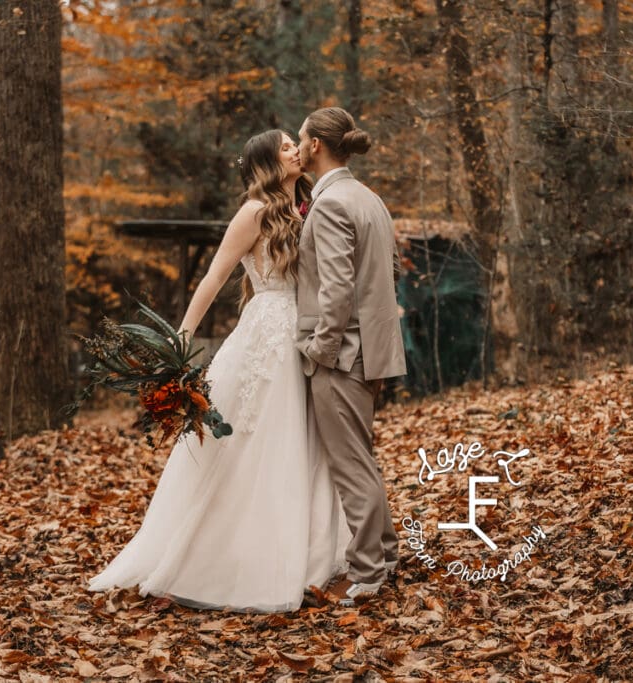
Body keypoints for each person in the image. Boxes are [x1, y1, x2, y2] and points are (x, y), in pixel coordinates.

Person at [87, 129, 351, 612]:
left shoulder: (308, 207)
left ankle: (307, 554)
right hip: (268, 336)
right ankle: (229, 561)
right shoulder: (253, 212)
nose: (297, 149)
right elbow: (214, 276)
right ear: (269, 162)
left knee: (304, 442)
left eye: (298, 143)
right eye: (288, 147)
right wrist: (179, 342)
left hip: (305, 335)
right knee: (253, 442)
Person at [295, 107, 407, 607]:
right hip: (374, 352)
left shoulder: (332, 204)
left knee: (349, 464)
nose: (296, 146)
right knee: (361, 456)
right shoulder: (368, 198)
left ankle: (366, 573)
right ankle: (383, 553)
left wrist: (320, 351)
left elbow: (337, 290)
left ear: (316, 144)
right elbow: (393, 270)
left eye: (299, 138)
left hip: (343, 356)